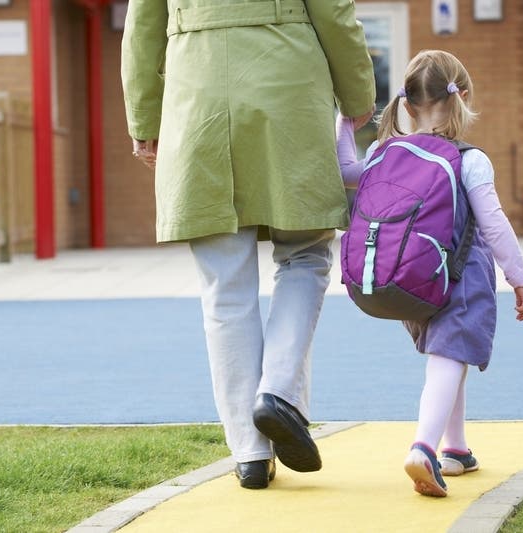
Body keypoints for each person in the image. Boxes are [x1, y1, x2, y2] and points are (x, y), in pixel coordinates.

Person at [121, 0, 376, 489]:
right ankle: (278, 391)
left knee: (224, 283)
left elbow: (142, 29)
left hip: (197, 95)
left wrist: (144, 119)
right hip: (286, 87)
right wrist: (357, 91)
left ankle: (251, 452)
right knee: (304, 254)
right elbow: (335, 13)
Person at [336, 49, 523, 497]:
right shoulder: (469, 158)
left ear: (406, 105)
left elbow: (346, 171)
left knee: (449, 356)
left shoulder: (383, 150)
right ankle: (423, 447)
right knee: (450, 358)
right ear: (462, 97)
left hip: (413, 277)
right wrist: (519, 277)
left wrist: (345, 125)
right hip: (462, 277)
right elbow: (494, 222)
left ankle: (455, 448)